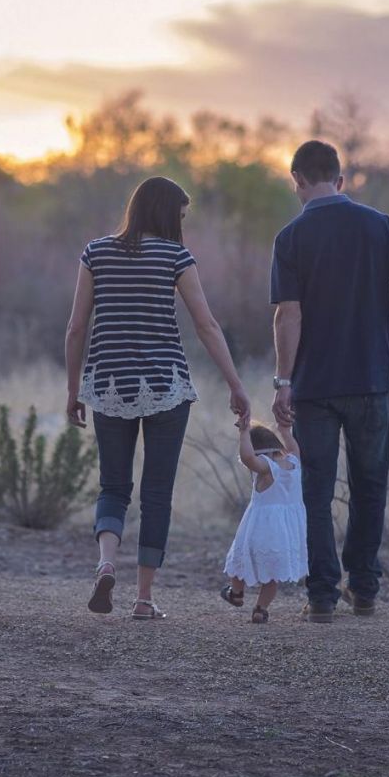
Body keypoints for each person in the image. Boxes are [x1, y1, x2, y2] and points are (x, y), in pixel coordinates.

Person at [65, 176, 250, 619]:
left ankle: (106, 563)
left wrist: (74, 390)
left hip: (109, 384)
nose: (181, 224)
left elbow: (76, 328)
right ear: (167, 214)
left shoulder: (95, 253)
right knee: (157, 493)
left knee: (113, 486)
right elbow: (206, 325)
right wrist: (235, 384)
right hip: (166, 386)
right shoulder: (175, 256)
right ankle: (144, 599)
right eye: (180, 216)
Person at [270, 140, 389, 623]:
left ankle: (321, 596)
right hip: (370, 381)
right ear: (340, 180)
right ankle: (364, 589)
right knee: (370, 486)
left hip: (314, 387)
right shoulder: (378, 225)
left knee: (315, 492)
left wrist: (283, 380)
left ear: (297, 180)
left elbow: (288, 315)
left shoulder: (290, 237)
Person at [220, 421, 307, 623]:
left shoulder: (267, 468)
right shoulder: (294, 462)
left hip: (260, 529)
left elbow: (248, 458)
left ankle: (236, 593)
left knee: (239, 561)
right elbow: (294, 447)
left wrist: (244, 433)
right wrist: (285, 431)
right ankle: (260, 609)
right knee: (272, 576)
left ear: (259, 452)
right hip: (285, 534)